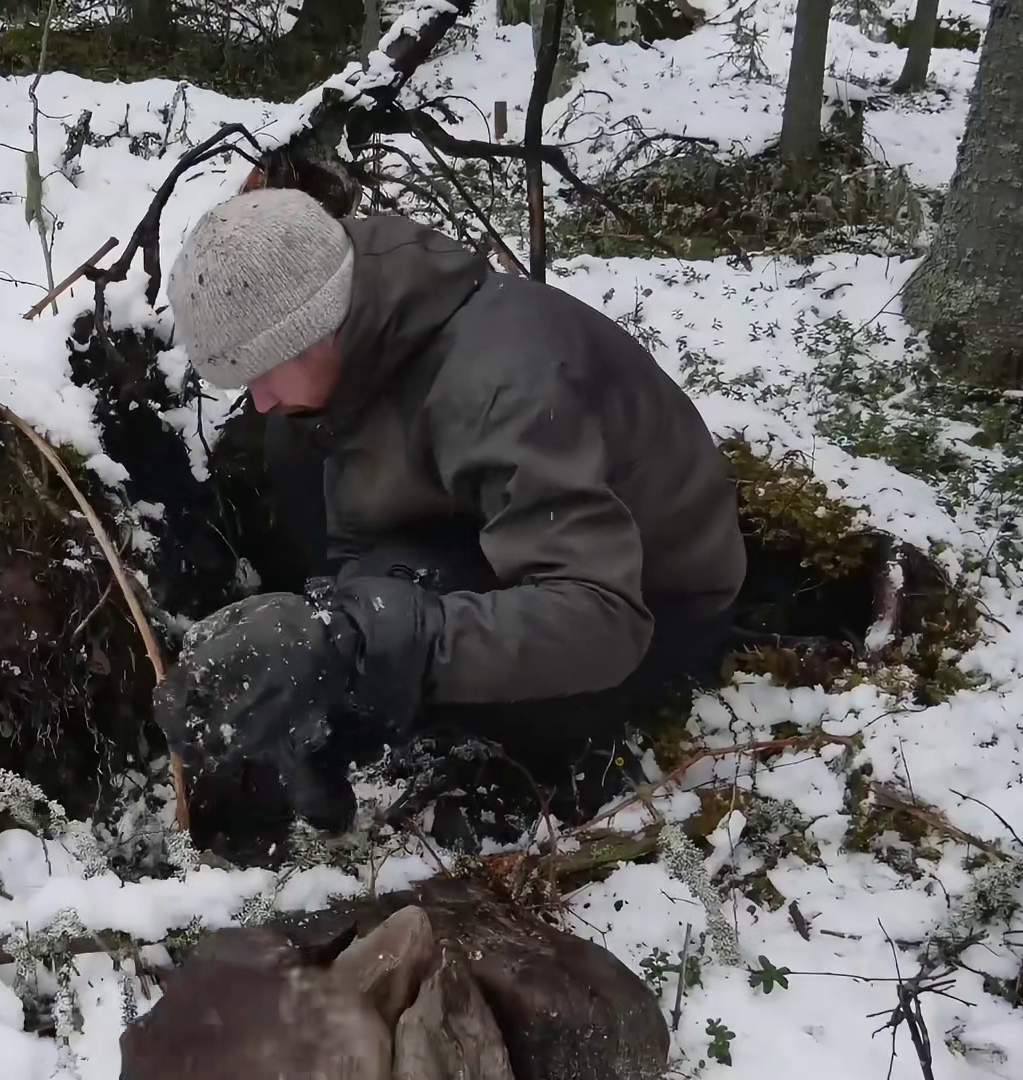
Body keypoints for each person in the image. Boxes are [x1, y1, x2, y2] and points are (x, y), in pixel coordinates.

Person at [155, 187, 746, 861]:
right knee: (290, 455)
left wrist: (358, 645)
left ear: (321, 324)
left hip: (643, 604)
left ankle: (547, 766)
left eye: (262, 371)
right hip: (492, 541)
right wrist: (333, 693)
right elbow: (366, 546)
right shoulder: (352, 358)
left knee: (402, 647)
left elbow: (603, 617)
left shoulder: (501, 386)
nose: (256, 399)